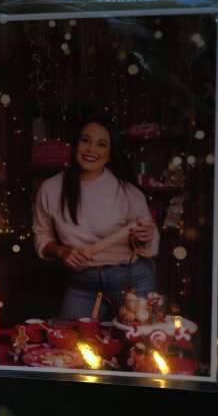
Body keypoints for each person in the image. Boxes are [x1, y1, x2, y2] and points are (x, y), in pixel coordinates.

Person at [32, 117, 159, 321]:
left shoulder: (128, 192)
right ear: (75, 145)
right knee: (71, 347)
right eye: (85, 140)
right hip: (82, 284)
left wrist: (144, 237)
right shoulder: (51, 189)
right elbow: (42, 235)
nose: (91, 149)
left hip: (131, 281)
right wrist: (61, 251)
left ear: (109, 154)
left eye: (101, 144)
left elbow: (149, 244)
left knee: (138, 349)